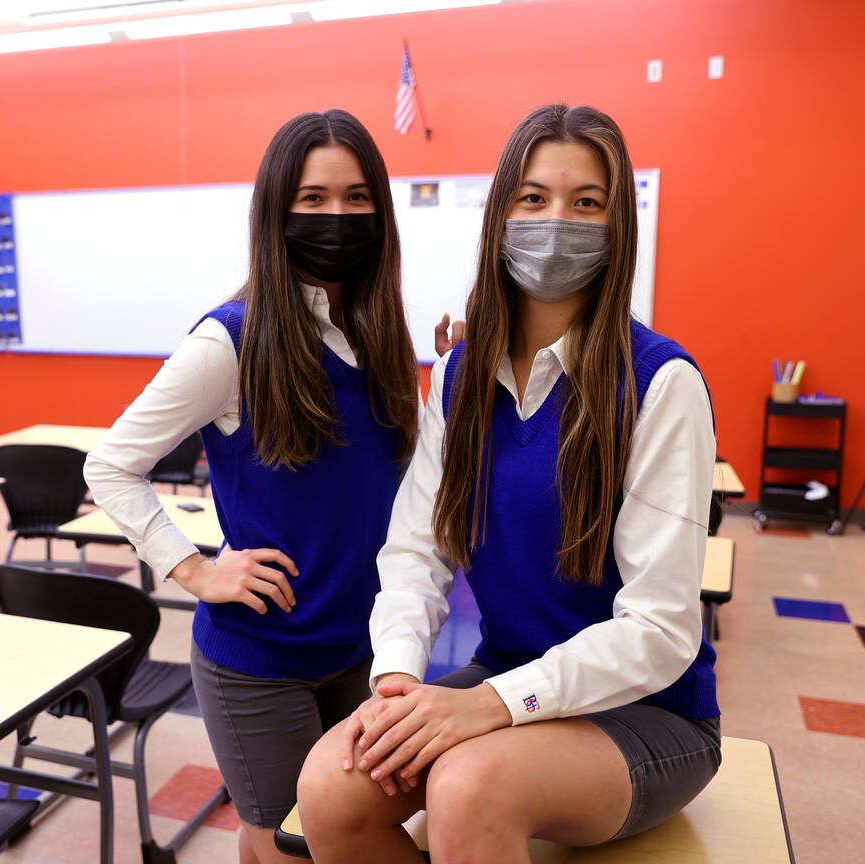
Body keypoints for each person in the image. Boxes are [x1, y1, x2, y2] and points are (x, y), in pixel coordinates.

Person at [297, 104, 720, 864]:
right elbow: (415, 551)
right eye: (534, 198)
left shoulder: (660, 383)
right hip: (509, 675)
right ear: (500, 215)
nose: (558, 221)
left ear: (618, 225)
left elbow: (661, 632)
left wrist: (493, 705)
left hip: (649, 714)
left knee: (468, 786)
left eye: (586, 202)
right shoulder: (458, 376)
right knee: (330, 781)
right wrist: (396, 682)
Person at [85, 108, 436, 864]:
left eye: (355, 197)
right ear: (277, 209)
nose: (336, 216)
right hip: (259, 660)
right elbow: (110, 464)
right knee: (283, 840)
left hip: (363, 650)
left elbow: (398, 481)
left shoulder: (379, 336)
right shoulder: (229, 341)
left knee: (323, 837)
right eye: (312, 198)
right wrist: (197, 569)